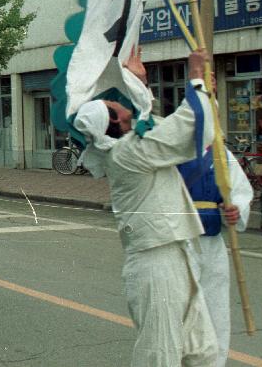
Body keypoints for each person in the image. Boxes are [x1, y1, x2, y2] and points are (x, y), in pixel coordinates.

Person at [73, 49, 218, 367]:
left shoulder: (132, 146)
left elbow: (158, 127)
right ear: (113, 119)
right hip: (156, 262)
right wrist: (195, 77)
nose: (119, 101)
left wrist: (142, 83)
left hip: (175, 253)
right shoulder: (126, 153)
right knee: (160, 354)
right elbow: (186, 130)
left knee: (202, 350)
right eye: (114, 103)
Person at [178, 140, 253, 367]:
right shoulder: (172, 149)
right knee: (182, 312)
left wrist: (236, 209)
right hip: (179, 243)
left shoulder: (221, 153)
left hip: (212, 244)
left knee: (216, 312)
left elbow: (240, 190)